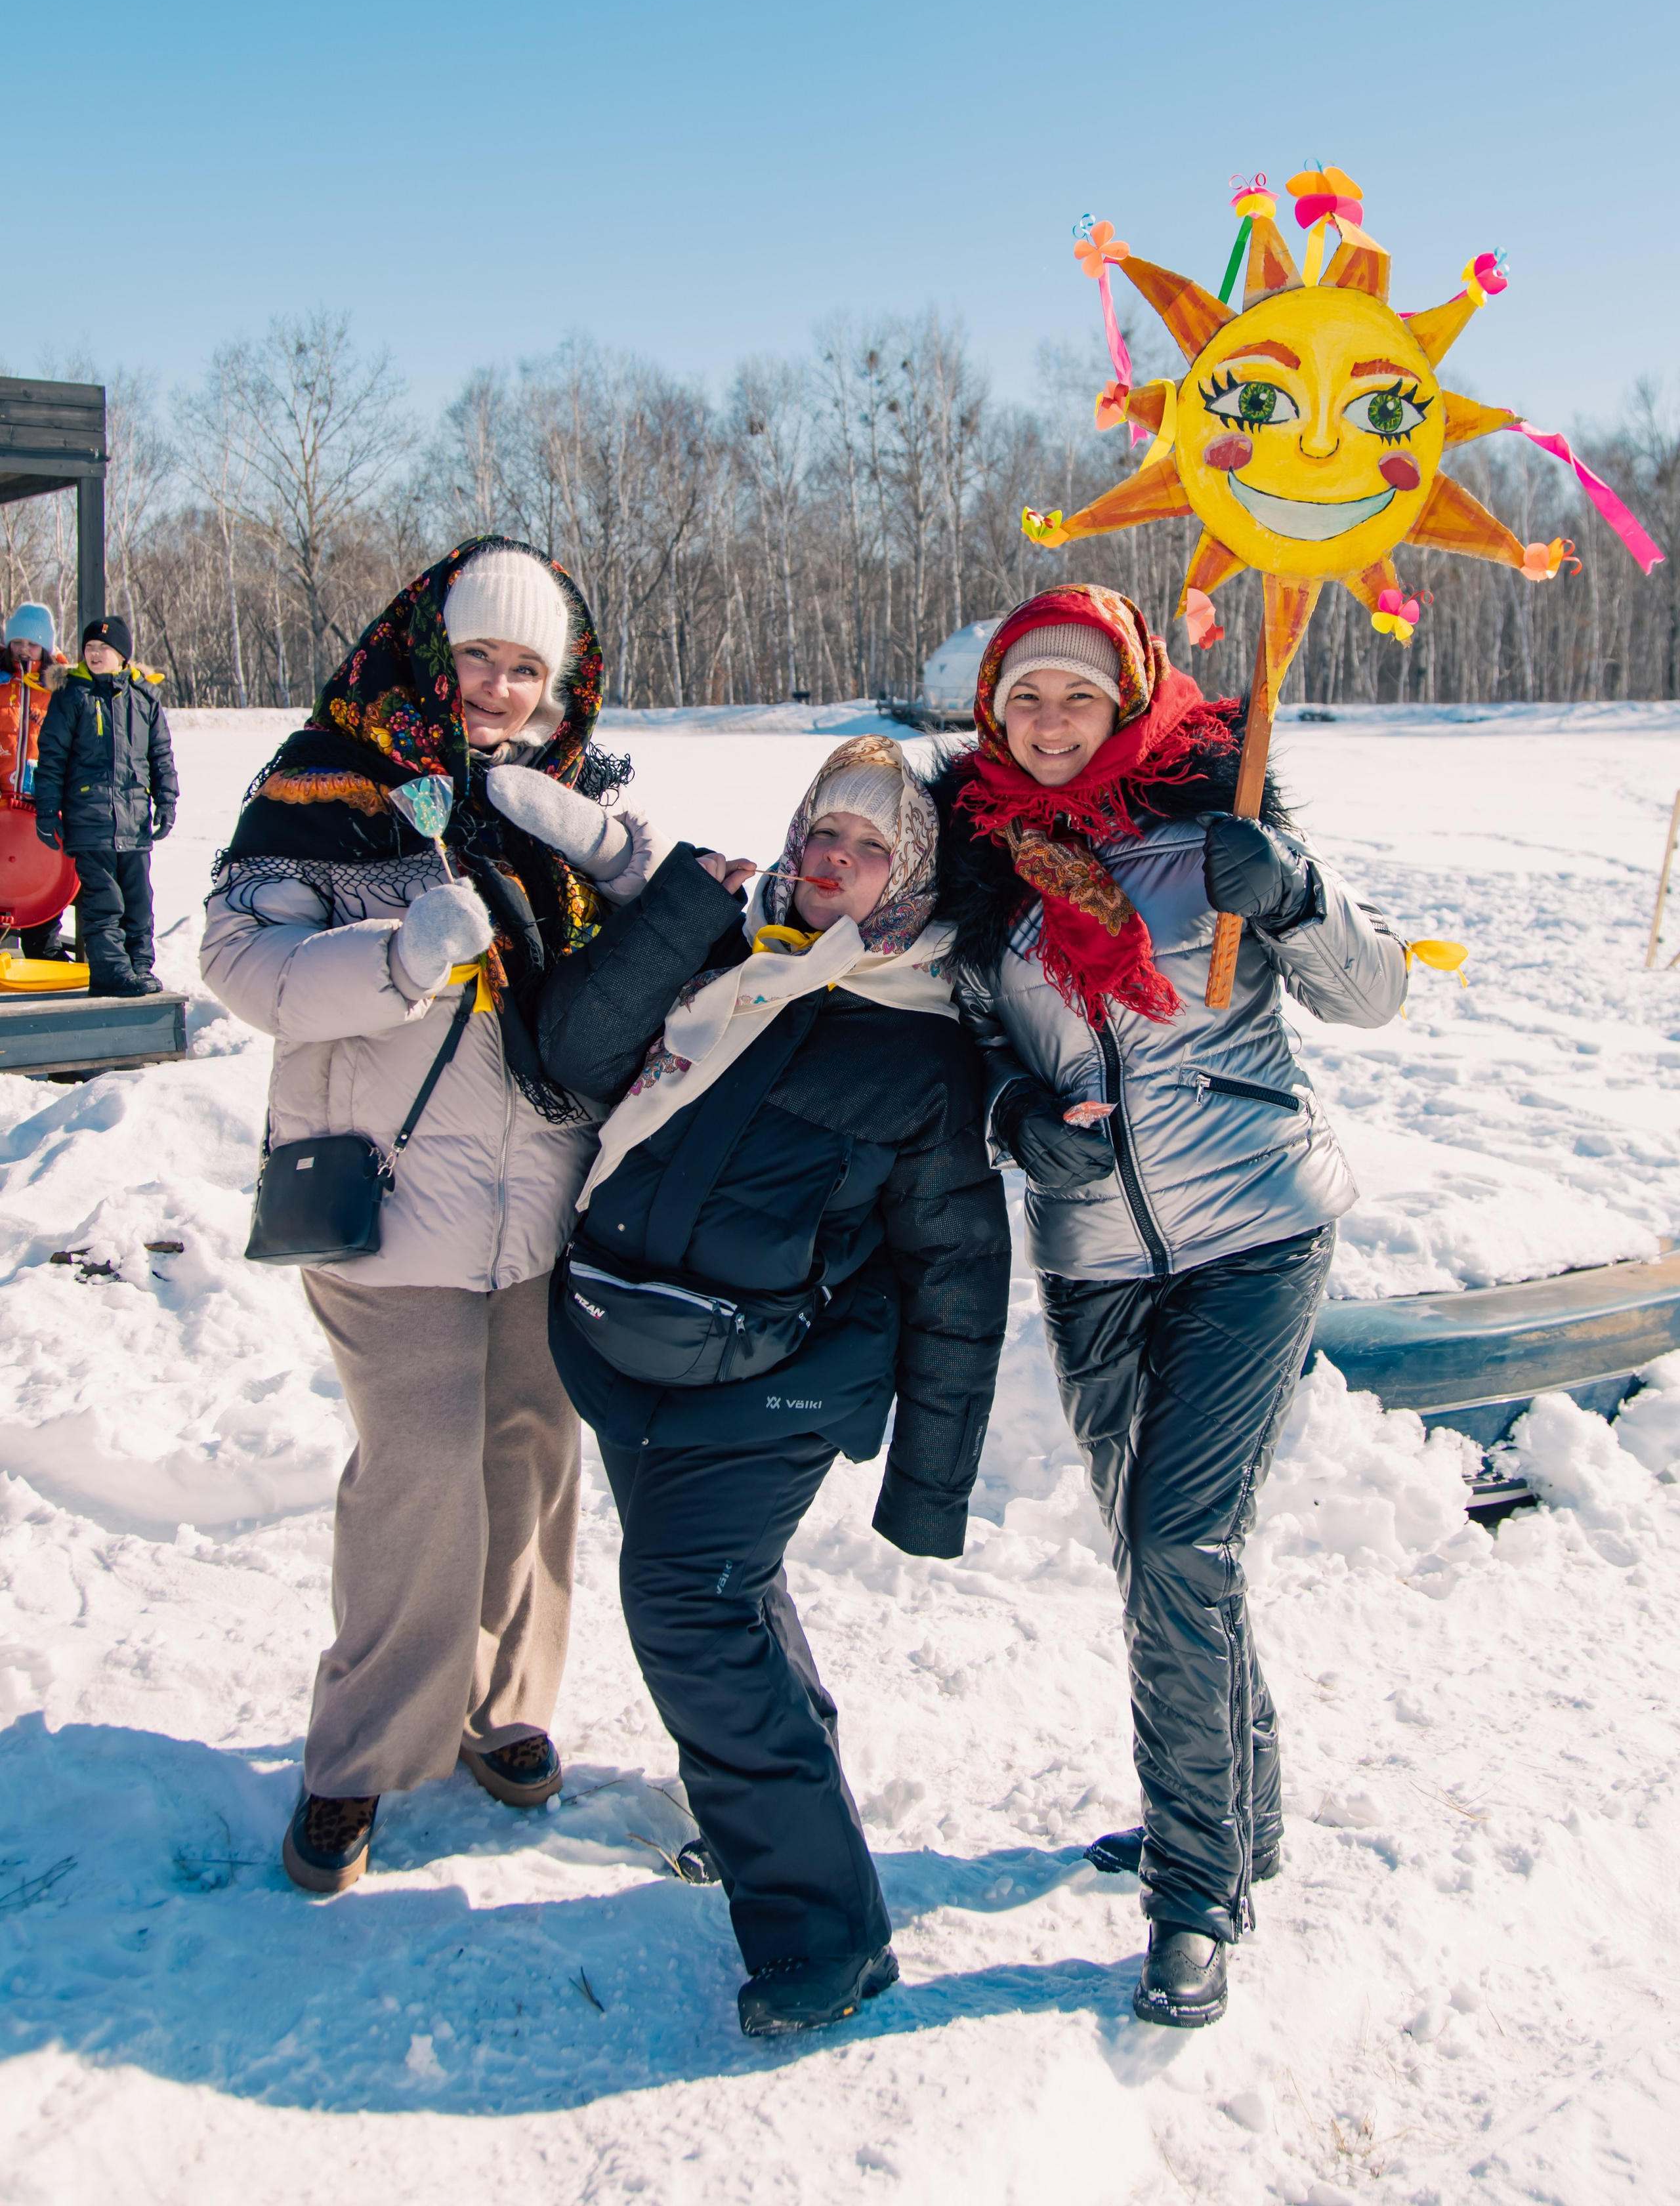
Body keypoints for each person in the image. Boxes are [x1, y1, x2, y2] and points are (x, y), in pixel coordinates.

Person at [931, 582, 1406, 2029]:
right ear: (989, 717)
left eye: (1078, 694)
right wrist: (1018, 1114)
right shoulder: (982, 873)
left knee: (1178, 1538)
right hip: (1091, 1257)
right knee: (1166, 1563)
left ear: (1128, 697)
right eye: (1024, 700)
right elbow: (969, 1056)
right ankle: (1235, 1813)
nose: (1052, 721)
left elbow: (1374, 996)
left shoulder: (1219, 830)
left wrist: (1301, 899)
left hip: (1255, 1233)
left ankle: (1193, 1893)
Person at [201, 537, 673, 1895]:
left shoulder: (570, 798)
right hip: (388, 1204)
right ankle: (353, 1759)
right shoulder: (326, 786)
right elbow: (239, 962)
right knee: (415, 1478)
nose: (501, 688)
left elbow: (662, 944)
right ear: (427, 647)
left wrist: (622, 857)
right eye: (480, 657)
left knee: (528, 1459)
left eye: (530, 667)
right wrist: (399, 954)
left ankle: (504, 1703)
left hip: (543, 1205)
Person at [529, 737, 1011, 2038]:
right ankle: (781, 1815)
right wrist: (686, 905)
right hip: (626, 1346)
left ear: (906, 880)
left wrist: (929, 1486)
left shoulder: (923, 1041)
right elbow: (570, 1052)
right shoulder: (721, 964)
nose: (831, 867)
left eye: (866, 852)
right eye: (820, 839)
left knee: (686, 1610)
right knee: (729, 1602)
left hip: (780, 1378)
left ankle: (823, 1933)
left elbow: (959, 1266)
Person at [33, 614, 178, 995]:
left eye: (104, 649)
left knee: (138, 901)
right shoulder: (71, 696)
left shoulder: (144, 699)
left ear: (123, 656)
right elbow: (51, 759)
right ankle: (112, 973)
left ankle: (140, 968)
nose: (95, 655)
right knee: (104, 903)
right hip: (89, 820)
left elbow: (160, 756)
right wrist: (47, 811)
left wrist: (166, 801)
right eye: (90, 648)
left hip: (133, 821)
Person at [1, 603, 71, 958]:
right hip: (2, 803)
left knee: (44, 874)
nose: (23, 649)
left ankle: (45, 947)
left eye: (32, 643)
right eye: (17, 641)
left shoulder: (63, 687)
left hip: (43, 802)